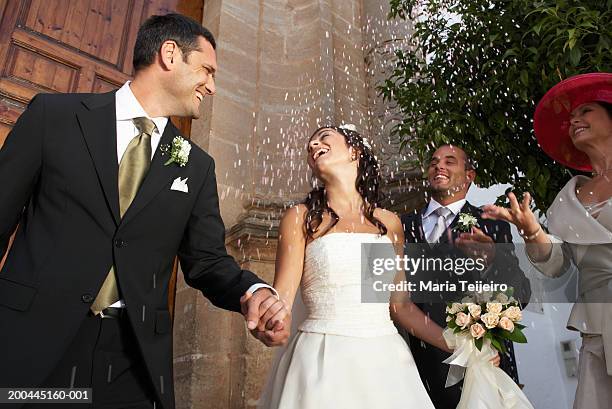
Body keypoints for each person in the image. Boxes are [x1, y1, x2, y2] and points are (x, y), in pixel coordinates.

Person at [0, 13, 288, 409]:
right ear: (170, 54)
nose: (213, 86)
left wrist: (251, 291)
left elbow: (206, 261)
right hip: (34, 341)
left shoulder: (196, 165)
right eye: (206, 70)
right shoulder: (55, 117)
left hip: (131, 361)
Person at [258, 125, 435, 408]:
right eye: (310, 145)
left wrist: (457, 343)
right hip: (321, 358)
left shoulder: (388, 223)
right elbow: (283, 300)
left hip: (386, 362)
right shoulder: (301, 218)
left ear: (355, 151)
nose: (313, 144)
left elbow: (399, 307)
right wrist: (271, 323)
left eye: (323, 137)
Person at [482, 72, 612, 409]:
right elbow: (555, 265)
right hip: (597, 328)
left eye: (586, 111)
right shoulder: (568, 199)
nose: (575, 121)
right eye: (571, 118)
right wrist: (530, 231)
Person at [395, 144, 531, 409]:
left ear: (470, 175)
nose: (439, 166)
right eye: (433, 162)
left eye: (449, 161)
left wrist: (493, 259)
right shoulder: (401, 225)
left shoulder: (491, 224)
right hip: (419, 365)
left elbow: (520, 295)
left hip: (484, 362)